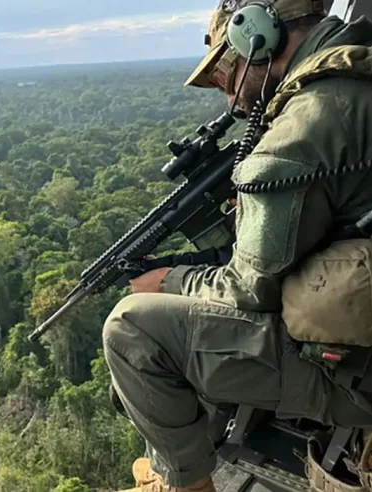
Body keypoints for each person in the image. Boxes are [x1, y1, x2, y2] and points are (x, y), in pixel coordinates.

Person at [102, 1, 372, 491]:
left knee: (134, 329)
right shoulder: (359, 75)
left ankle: (184, 483)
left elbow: (248, 292)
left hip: (359, 378)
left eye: (227, 72)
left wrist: (168, 279)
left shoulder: (308, 123)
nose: (230, 98)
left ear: (259, 37)